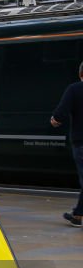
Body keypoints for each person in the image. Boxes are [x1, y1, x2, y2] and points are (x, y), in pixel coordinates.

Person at [50, 61, 83, 226]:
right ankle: (78, 215)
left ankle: (78, 215)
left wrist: (54, 120)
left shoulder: (75, 89)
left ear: (80, 74)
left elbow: (60, 113)